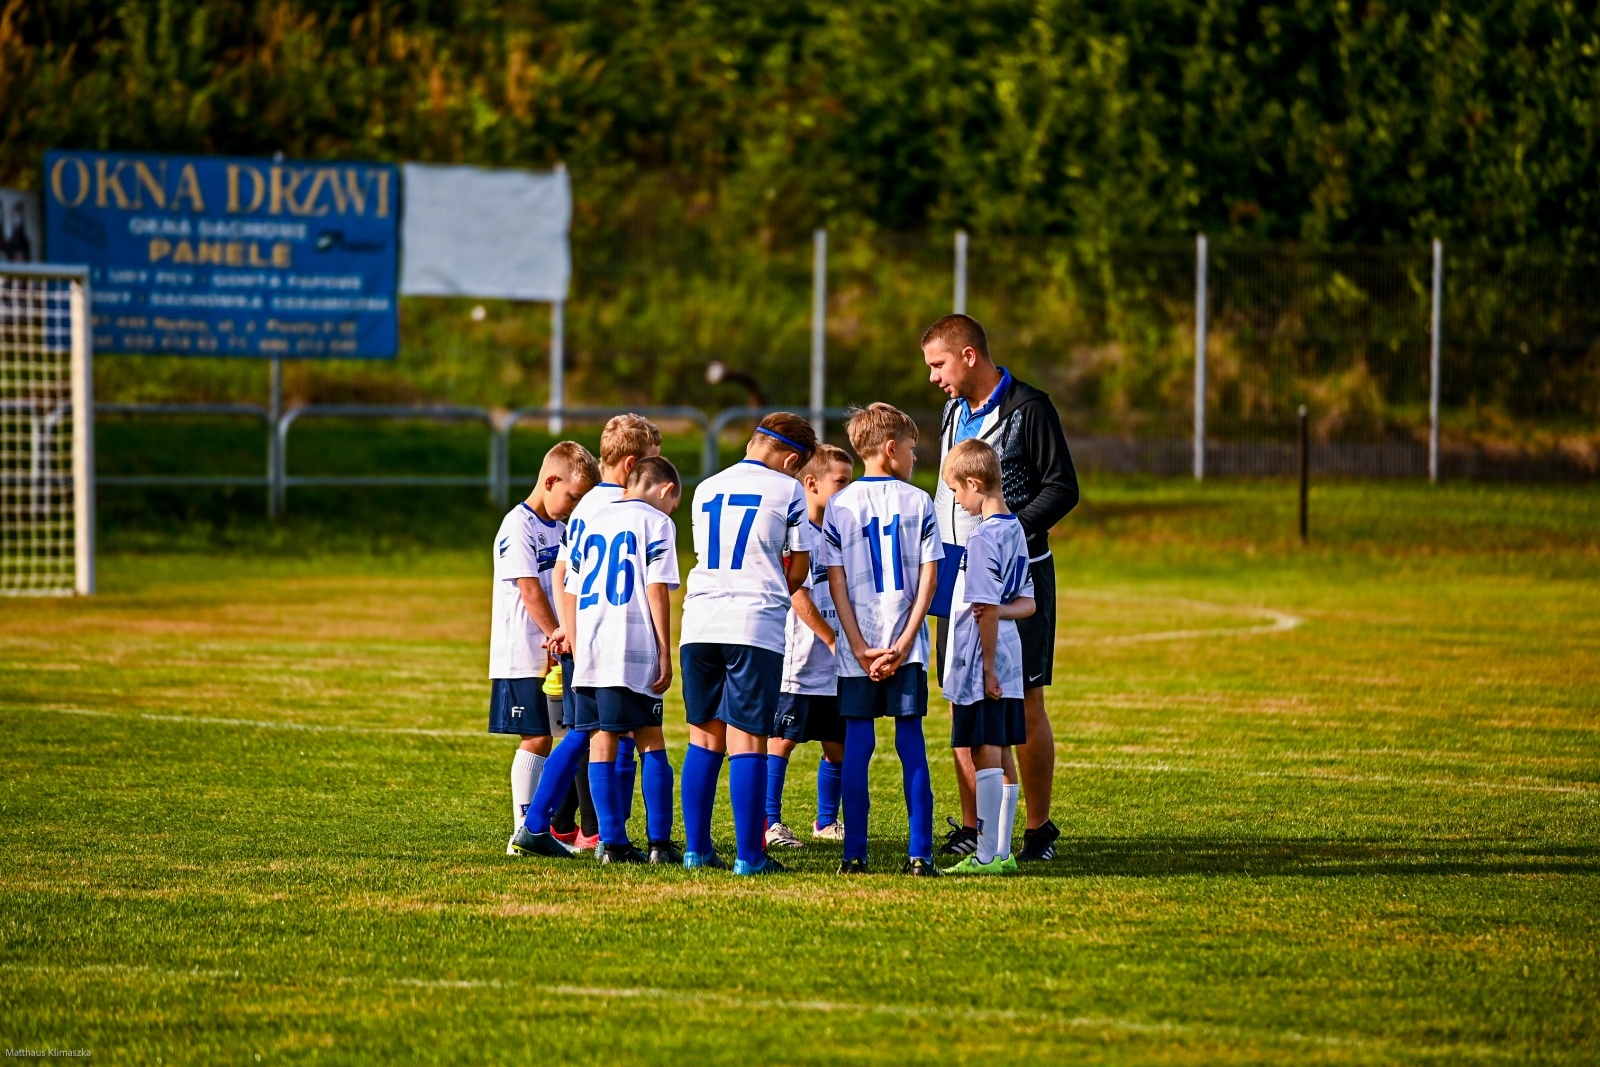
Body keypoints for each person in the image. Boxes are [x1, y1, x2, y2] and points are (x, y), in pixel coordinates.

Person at [923, 314, 1079, 863]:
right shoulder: (950, 413)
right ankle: (974, 826)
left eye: (939, 364)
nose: (935, 378)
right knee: (960, 696)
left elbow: (1064, 487)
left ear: (969, 356)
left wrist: (1009, 533)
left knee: (1023, 699)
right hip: (957, 576)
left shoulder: (1029, 409)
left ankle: (1038, 830)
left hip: (1017, 572)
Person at [511, 414, 662, 858]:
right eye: (652, 462)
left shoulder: (585, 505)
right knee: (606, 733)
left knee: (588, 731)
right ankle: (589, 832)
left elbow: (561, 573)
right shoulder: (629, 507)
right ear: (633, 462)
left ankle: (561, 828)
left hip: (586, 634)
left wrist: (567, 629)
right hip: (613, 638)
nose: (655, 472)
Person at [679, 412, 817, 875]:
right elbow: (797, 569)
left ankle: (696, 851)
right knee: (749, 740)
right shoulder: (789, 489)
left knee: (703, 737)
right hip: (752, 623)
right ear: (791, 459)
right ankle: (749, 855)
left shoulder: (706, 487)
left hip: (698, 621)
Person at [822, 403, 944, 876]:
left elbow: (836, 582)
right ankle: (920, 855)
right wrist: (905, 643)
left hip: (859, 649)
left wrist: (856, 644)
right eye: (912, 450)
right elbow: (928, 582)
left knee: (858, 745)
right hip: (904, 647)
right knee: (910, 743)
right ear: (891, 450)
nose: (915, 458)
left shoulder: (840, 504)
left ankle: (854, 855)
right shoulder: (919, 502)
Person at [564, 457, 683, 865]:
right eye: (674, 504)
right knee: (651, 739)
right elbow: (656, 588)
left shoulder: (592, 521)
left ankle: (611, 844)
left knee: (601, 741)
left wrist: (580, 650)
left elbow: (574, 590)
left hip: (593, 645)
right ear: (667, 491)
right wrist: (665, 649)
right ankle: (659, 844)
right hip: (631, 644)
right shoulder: (657, 523)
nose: (672, 512)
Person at [487, 441, 598, 855]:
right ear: (550, 481)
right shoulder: (518, 525)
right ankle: (524, 831)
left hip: (554, 649)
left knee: (556, 735)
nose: (573, 506)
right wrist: (557, 631)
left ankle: (546, 827)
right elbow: (529, 589)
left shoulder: (561, 527)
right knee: (535, 737)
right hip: (523, 650)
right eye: (571, 496)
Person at [936, 439, 1035, 875]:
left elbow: (986, 609)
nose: (957, 501)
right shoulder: (1015, 529)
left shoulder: (981, 539)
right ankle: (1004, 852)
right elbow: (1026, 602)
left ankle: (987, 853)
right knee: (1000, 745)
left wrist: (989, 667)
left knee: (985, 749)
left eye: (957, 492)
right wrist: (995, 609)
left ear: (975, 484)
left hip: (984, 658)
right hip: (1010, 651)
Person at [765, 444, 854, 849]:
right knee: (781, 741)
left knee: (838, 744)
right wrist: (832, 637)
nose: (847, 491)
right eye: (841, 483)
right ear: (811, 483)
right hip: (798, 659)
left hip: (833, 665)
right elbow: (797, 593)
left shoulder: (839, 536)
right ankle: (771, 822)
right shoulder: (797, 533)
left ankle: (825, 821)